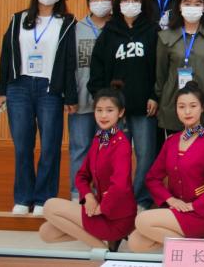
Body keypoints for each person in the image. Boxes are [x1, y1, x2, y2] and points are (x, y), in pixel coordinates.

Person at [0, 0, 78, 215]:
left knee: (50, 146)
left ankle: (44, 199)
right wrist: (1, 91)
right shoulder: (18, 19)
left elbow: (69, 62)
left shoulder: (67, 22)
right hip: (19, 87)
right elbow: (6, 55)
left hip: (50, 89)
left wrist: (70, 95)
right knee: (23, 146)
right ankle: (23, 197)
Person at [129, 82, 204, 251]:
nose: (187, 111)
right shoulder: (171, 141)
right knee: (135, 242)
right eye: (181, 106)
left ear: (202, 108)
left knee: (141, 220)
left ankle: (189, 250)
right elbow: (152, 178)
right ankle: (191, 250)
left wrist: (197, 205)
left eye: (193, 106)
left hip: (200, 214)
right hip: (175, 210)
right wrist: (171, 200)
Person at [38, 81, 136, 250]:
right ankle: (103, 246)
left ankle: (103, 252)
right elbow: (81, 176)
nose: (103, 115)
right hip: (98, 207)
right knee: (47, 232)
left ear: (120, 113)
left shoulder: (121, 144)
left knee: (50, 206)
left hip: (117, 216)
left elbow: (120, 186)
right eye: (99, 110)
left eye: (109, 110)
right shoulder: (99, 139)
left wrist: (101, 208)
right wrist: (88, 197)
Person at [88, 0, 157, 210]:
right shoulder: (109, 32)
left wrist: (154, 95)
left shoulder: (152, 31)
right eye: (126, 0)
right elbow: (97, 69)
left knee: (146, 154)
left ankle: (140, 199)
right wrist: (103, 101)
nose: (130, 4)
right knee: (114, 156)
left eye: (135, 0)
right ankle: (115, 198)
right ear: (118, 4)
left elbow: (159, 68)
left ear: (143, 3)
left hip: (145, 106)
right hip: (115, 110)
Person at [69, 0, 114, 201]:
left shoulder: (117, 28)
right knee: (80, 147)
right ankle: (79, 192)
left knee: (107, 150)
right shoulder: (76, 29)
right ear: (88, 2)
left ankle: (105, 193)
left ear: (112, 2)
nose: (99, 3)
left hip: (109, 103)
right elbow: (69, 65)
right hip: (81, 100)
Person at [156, 0, 204, 139]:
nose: (192, 7)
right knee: (177, 149)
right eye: (187, 3)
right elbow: (160, 74)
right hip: (173, 102)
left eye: (197, 4)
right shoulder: (165, 37)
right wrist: (158, 98)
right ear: (179, 6)